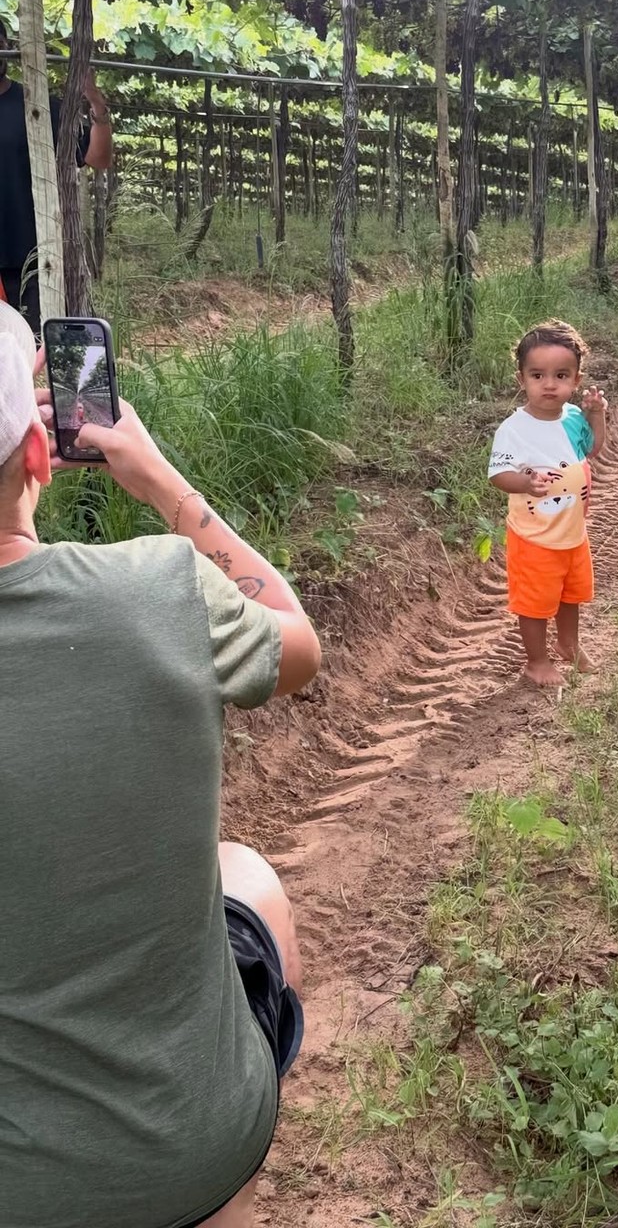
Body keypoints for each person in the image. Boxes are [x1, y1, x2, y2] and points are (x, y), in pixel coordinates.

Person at [0, 299, 322, 1227]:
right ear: (36, 455)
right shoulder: (159, 590)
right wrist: (162, 484)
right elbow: (297, 646)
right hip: (188, 1145)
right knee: (248, 878)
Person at [489, 319, 608, 686]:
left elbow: (593, 448)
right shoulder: (515, 429)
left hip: (572, 531)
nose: (550, 384)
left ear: (576, 379)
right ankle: (537, 662)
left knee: (570, 593)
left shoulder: (572, 417)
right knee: (535, 601)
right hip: (535, 535)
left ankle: (569, 644)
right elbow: (497, 475)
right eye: (538, 375)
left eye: (561, 375)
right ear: (521, 379)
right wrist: (524, 482)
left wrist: (596, 415)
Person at [0, 23, 113, 337]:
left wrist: (97, 106)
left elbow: (97, 158)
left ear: (7, 46)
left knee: (29, 356)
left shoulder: (38, 107)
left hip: (29, 261)